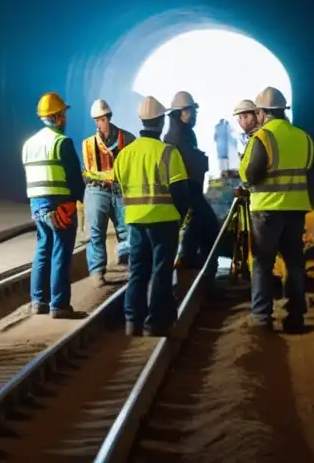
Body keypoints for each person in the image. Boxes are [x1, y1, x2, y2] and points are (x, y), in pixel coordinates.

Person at [114, 95, 195, 337]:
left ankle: (133, 321)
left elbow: (118, 190)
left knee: (138, 271)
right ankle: (156, 323)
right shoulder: (168, 153)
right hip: (164, 222)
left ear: (142, 120)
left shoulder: (125, 154)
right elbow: (181, 193)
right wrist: (180, 219)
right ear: (160, 121)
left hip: (136, 222)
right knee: (161, 271)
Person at [239, 86, 314, 333]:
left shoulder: (263, 138)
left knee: (262, 263)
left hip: (267, 210)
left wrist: (246, 182)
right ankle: (295, 317)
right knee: (294, 263)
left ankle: (262, 317)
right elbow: (308, 165)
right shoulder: (303, 137)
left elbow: (252, 173)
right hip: (296, 209)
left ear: (262, 113)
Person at [22, 91, 85, 319]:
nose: (65, 119)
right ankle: (59, 305)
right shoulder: (62, 142)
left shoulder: (28, 144)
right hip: (60, 205)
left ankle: (38, 301)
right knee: (61, 252)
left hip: (37, 205)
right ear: (57, 116)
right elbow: (75, 179)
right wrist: (77, 200)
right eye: (63, 115)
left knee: (42, 250)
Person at [81, 99, 134, 286]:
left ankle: (130, 265)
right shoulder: (88, 144)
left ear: (109, 118)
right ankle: (97, 271)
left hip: (121, 191)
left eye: (101, 119)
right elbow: (87, 171)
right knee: (95, 232)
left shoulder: (127, 139)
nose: (99, 123)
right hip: (97, 190)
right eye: (96, 120)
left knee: (127, 230)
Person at [164, 90, 220, 268]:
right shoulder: (175, 137)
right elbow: (189, 162)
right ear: (181, 112)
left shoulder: (185, 134)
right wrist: (201, 159)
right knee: (207, 223)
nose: (195, 115)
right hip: (184, 190)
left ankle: (190, 259)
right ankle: (191, 260)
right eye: (192, 111)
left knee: (201, 223)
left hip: (191, 189)